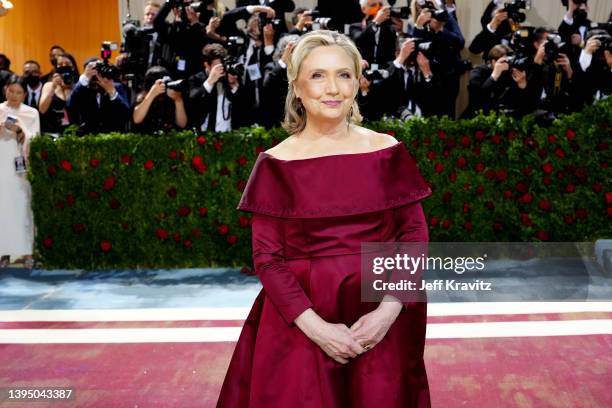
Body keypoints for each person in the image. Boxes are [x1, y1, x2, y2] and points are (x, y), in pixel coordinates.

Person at [216, 30, 432, 407]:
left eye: (344, 74)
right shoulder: (275, 164)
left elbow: (412, 233)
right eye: (317, 75)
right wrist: (317, 329)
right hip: (301, 321)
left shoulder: (387, 151)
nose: (333, 88)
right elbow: (268, 259)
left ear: (357, 81)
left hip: (381, 316)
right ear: (296, 86)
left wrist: (388, 310)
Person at [0, 75, 40, 269]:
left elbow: (35, 139)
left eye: (18, 92)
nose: (14, 96)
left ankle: (27, 252)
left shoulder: (31, 113)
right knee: (2, 207)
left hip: (21, 165)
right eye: (11, 91)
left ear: (24, 94)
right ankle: (4, 252)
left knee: (23, 205)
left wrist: (19, 131)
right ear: (5, 89)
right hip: (1, 164)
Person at [132, 66, 187, 132]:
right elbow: (136, 119)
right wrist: (152, 94)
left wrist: (178, 100)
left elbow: (182, 124)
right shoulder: (142, 96)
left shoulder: (172, 95)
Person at [39, 54, 78, 134]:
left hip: (75, 132)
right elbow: (42, 110)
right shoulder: (49, 85)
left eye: (67, 64)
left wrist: (69, 88)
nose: (64, 66)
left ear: (73, 67)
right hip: (53, 132)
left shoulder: (79, 85)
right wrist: (53, 87)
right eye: (60, 64)